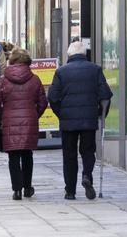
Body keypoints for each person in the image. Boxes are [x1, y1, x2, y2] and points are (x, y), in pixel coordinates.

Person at [47, 40, 113, 200]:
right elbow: (105, 94)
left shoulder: (61, 72)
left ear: (69, 54)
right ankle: (87, 176)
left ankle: (70, 191)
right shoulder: (95, 69)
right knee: (88, 151)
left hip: (68, 121)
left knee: (69, 155)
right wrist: (100, 114)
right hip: (88, 119)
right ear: (84, 54)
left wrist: (61, 113)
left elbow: (53, 97)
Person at [0, 48, 48, 201]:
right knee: (27, 155)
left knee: (13, 156)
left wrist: (3, 116)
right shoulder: (35, 79)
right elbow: (43, 102)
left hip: (10, 120)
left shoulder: (3, 79)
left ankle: (17, 190)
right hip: (29, 121)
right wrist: (34, 115)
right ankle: (27, 187)